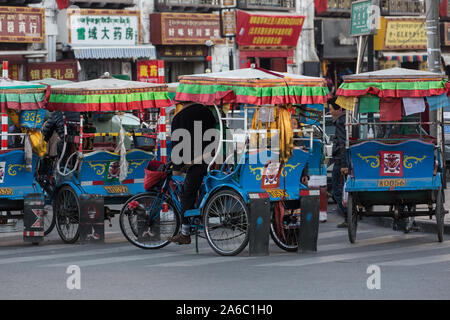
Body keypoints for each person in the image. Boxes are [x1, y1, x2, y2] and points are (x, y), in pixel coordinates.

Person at [168, 103, 218, 245]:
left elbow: (178, 145)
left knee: (187, 194)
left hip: (199, 162)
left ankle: (185, 233)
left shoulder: (179, 118)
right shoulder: (207, 112)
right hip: (213, 159)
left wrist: (179, 166)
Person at [329, 97, 348, 228]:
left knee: (337, 191)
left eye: (330, 110)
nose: (330, 112)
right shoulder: (343, 120)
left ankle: (348, 216)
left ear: (339, 109)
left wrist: (343, 164)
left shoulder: (341, 122)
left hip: (340, 162)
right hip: (341, 160)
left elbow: (342, 144)